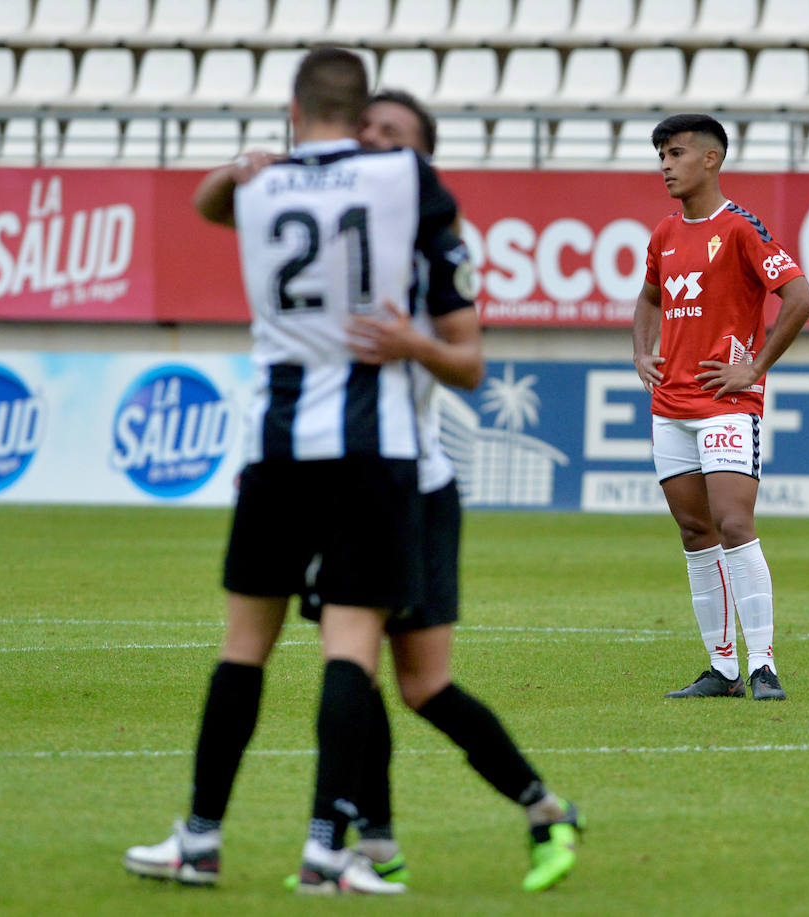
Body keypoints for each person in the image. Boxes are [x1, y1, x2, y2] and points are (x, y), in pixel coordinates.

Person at [123, 48, 459, 895]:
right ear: (362, 111)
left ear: (292, 108)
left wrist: (245, 165)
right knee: (350, 649)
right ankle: (325, 853)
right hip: (374, 446)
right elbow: (440, 256)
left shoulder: (261, 185)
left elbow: (207, 204)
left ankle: (198, 839)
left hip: (275, 445)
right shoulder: (404, 177)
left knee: (244, 647)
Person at [289, 86, 581, 895]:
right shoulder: (330, 230)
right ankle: (377, 845)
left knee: (421, 684)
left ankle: (544, 808)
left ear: (422, 156)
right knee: (358, 671)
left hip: (412, 485)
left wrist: (408, 342)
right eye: (365, 127)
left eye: (394, 133)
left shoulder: (435, 244)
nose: (373, 140)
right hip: (342, 476)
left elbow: (470, 364)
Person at [632, 113, 809, 701]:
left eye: (676, 153)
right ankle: (724, 669)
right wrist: (641, 352)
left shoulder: (740, 228)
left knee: (734, 524)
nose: (666, 165)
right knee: (694, 531)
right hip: (670, 407)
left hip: (725, 404)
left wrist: (754, 369)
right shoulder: (664, 232)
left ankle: (763, 664)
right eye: (661, 155)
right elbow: (649, 298)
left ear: (710, 159)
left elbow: (800, 297)